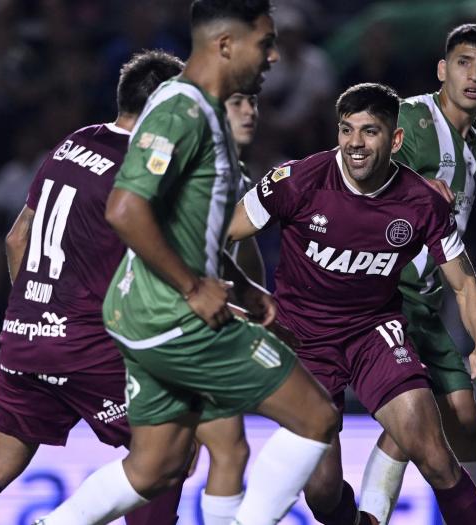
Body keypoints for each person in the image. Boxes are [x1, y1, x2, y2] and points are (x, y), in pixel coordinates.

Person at [34, 2, 340, 524]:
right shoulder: (183, 112)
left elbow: (184, 224)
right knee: (317, 417)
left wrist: (242, 288)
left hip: (145, 314)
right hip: (175, 318)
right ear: (225, 45)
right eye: (264, 42)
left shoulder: (202, 112)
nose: (273, 56)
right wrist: (194, 286)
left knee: (155, 467)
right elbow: (125, 209)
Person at [0, 50, 186, 525]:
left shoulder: (74, 143)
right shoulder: (145, 169)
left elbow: (16, 238)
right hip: (88, 341)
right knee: (164, 453)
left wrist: (39, 313)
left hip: (25, 332)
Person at [227, 82, 476, 525]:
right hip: (303, 343)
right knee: (320, 494)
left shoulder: (421, 202)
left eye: (369, 131)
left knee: (434, 454)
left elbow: (465, 283)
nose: (355, 144)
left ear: (395, 140)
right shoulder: (298, 181)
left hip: (374, 333)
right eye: (346, 130)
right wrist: (240, 292)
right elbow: (219, 234)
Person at [356, 23, 476, 522]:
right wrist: (410, 184)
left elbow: (454, 251)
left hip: (421, 303)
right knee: (412, 421)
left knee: (467, 424)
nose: (474, 75)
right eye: (463, 62)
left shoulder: (474, 149)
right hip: (378, 294)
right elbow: (355, 174)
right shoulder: (412, 119)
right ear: (442, 70)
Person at [191, 91, 263, 525]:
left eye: (253, 102)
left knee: (178, 458)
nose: (250, 111)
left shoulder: (234, 171)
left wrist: (254, 294)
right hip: (181, 323)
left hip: (208, 322)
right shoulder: (202, 166)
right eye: (237, 102)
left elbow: (234, 247)